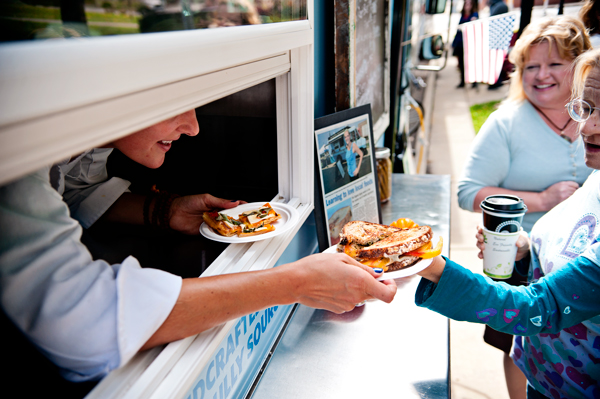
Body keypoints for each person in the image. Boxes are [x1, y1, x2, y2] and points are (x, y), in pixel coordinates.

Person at [0, 110, 397, 383]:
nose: (193, 127)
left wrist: (165, 210)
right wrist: (294, 284)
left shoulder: (82, 144)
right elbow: (86, 323)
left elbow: (71, 194)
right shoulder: (12, 160)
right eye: (177, 103)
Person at [416, 47, 600, 399]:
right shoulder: (597, 177)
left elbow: (538, 307)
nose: (586, 126)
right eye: (586, 108)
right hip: (539, 375)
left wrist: (430, 265)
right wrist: (525, 252)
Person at [456, 16, 593, 399]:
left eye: (554, 64)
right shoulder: (505, 124)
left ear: (580, 67)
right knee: (518, 348)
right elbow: (468, 192)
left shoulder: (591, 118)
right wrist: (543, 201)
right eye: (531, 66)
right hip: (519, 258)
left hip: (584, 267)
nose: (541, 75)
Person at [452, 0, 479, 88]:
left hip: (469, 44)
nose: (467, 5)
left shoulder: (474, 15)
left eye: (469, 3)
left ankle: (474, 81)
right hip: (460, 43)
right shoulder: (463, 15)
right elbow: (458, 31)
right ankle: (462, 81)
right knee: (461, 64)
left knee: (470, 63)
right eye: (466, 3)